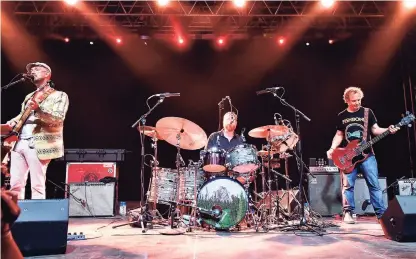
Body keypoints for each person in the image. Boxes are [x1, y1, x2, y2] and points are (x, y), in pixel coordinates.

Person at [326, 86, 399, 224]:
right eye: (354, 101)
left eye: (359, 100)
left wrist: (388, 130)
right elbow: (339, 134)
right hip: (348, 156)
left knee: (374, 185)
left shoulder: (367, 112)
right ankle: (348, 213)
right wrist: (332, 148)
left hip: (367, 155)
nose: (357, 103)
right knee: (347, 186)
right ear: (347, 100)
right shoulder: (342, 116)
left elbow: (375, 130)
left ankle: (381, 215)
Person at [5, 62, 69, 200]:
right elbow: (22, 115)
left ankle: (37, 220)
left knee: (37, 185)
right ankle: (15, 218)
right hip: (19, 141)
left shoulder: (59, 95)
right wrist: (12, 121)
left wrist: (38, 109)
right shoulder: (29, 96)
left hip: (39, 141)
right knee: (15, 184)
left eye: (37, 69)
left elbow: (58, 118)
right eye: (31, 69)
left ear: (47, 74)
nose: (33, 71)